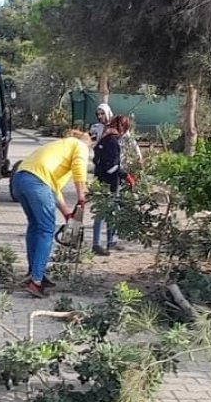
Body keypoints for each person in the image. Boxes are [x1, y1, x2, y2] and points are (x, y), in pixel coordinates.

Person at [11, 130, 91, 299]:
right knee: (46, 230)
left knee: (35, 226)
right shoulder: (80, 145)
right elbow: (79, 169)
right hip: (37, 183)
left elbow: (54, 189)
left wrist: (67, 213)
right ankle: (36, 282)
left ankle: (34, 272)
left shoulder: (58, 147)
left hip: (19, 180)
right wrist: (81, 197)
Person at [92, 115, 133, 256]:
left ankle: (111, 242)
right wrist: (126, 176)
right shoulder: (113, 142)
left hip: (100, 180)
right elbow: (112, 166)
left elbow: (96, 159)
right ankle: (96, 244)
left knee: (111, 211)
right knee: (103, 212)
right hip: (110, 182)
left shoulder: (104, 138)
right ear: (122, 128)